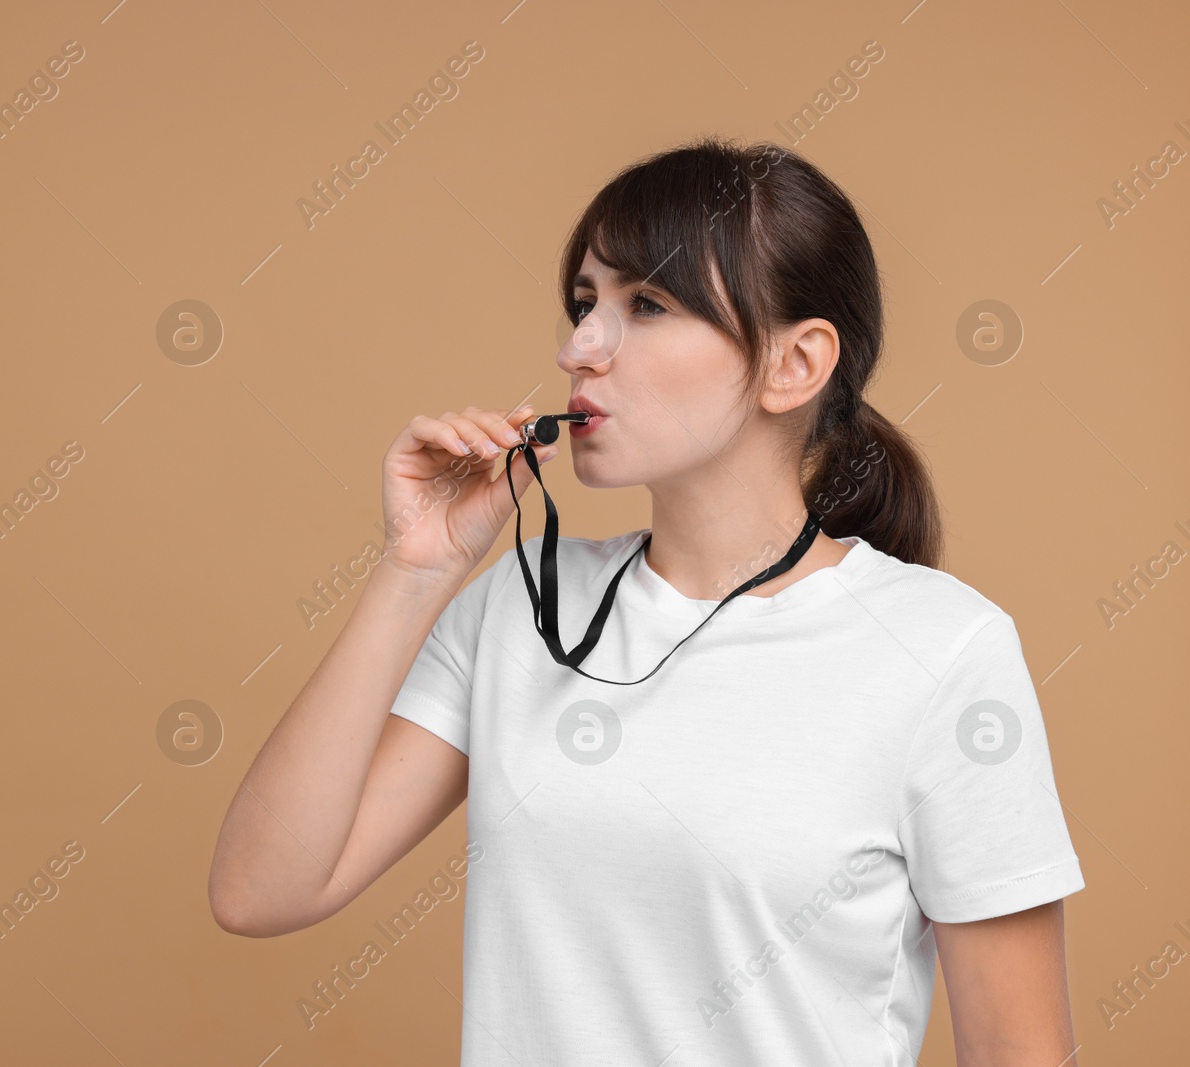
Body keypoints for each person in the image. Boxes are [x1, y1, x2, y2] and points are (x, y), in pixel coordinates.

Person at [208, 136, 1085, 1065]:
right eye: (585, 303)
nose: (577, 348)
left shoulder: (943, 652)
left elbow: (1018, 1052)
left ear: (795, 365)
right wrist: (417, 571)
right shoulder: (518, 607)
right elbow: (260, 891)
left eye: (648, 304)